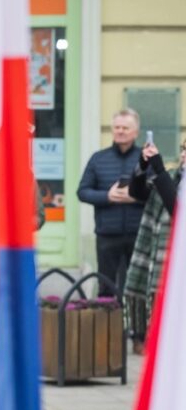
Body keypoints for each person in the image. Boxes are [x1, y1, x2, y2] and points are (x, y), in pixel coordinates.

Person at [125, 138, 184, 352]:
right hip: (161, 256)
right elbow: (136, 192)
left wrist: (158, 168)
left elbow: (177, 208)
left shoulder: (169, 178)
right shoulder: (176, 177)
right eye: (183, 149)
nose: (184, 155)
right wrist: (142, 165)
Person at [77, 108, 145, 296]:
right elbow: (82, 192)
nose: (120, 131)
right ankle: (107, 324)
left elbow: (158, 194)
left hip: (139, 235)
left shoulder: (145, 159)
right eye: (116, 127)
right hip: (107, 235)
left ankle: (135, 325)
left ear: (136, 132)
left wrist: (135, 197)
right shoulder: (98, 159)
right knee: (106, 286)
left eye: (125, 127)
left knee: (138, 289)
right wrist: (107, 196)